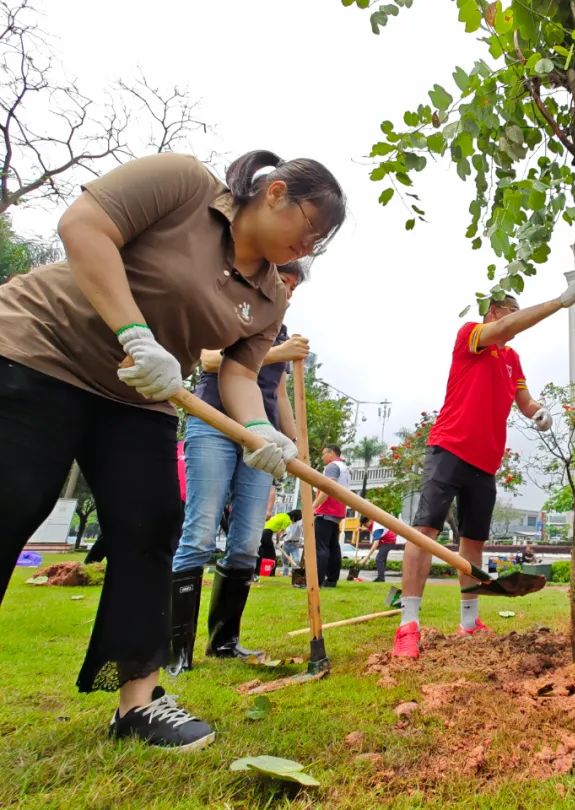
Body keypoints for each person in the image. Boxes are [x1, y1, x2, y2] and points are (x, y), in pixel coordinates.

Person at [0, 149, 345, 751]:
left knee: (151, 526)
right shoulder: (185, 185)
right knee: (11, 503)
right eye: (309, 226)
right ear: (275, 193)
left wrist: (260, 432)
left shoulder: (270, 297)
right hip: (38, 352)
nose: (308, 246)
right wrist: (135, 333)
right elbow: (83, 226)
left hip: (139, 398)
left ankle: (139, 701)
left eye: (321, 241)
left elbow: (240, 374)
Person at [393, 274, 575, 658]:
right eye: (512, 314)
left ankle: (469, 622)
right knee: (424, 531)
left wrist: (538, 412)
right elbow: (504, 329)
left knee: (473, 541)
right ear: (495, 311)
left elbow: (523, 398)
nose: (516, 325)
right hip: (449, 449)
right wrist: (560, 302)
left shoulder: (512, 358)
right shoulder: (472, 334)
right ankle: (408, 624)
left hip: (486, 462)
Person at [168, 262, 310, 673]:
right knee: (199, 533)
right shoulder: (234, 308)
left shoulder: (278, 329)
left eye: (293, 287)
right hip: (213, 423)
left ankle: (224, 642)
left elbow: (279, 394)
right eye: (283, 281)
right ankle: (178, 650)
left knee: (247, 540)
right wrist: (282, 353)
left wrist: (297, 443)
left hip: (261, 440)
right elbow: (210, 361)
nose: (288, 292)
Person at [313, 444, 350, 587]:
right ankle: (332, 579)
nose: (322, 457)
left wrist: (313, 506)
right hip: (338, 510)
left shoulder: (332, 467)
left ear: (332, 453)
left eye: (324, 454)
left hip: (327, 510)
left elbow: (328, 488)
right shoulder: (345, 468)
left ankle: (318, 580)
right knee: (333, 546)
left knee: (321, 547)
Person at [280, 509, 305, 579]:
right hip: (286, 544)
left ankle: (294, 573)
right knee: (285, 559)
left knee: (296, 560)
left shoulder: (299, 524)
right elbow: (285, 532)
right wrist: (282, 537)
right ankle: (284, 574)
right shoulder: (288, 523)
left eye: (291, 517)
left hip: (295, 544)